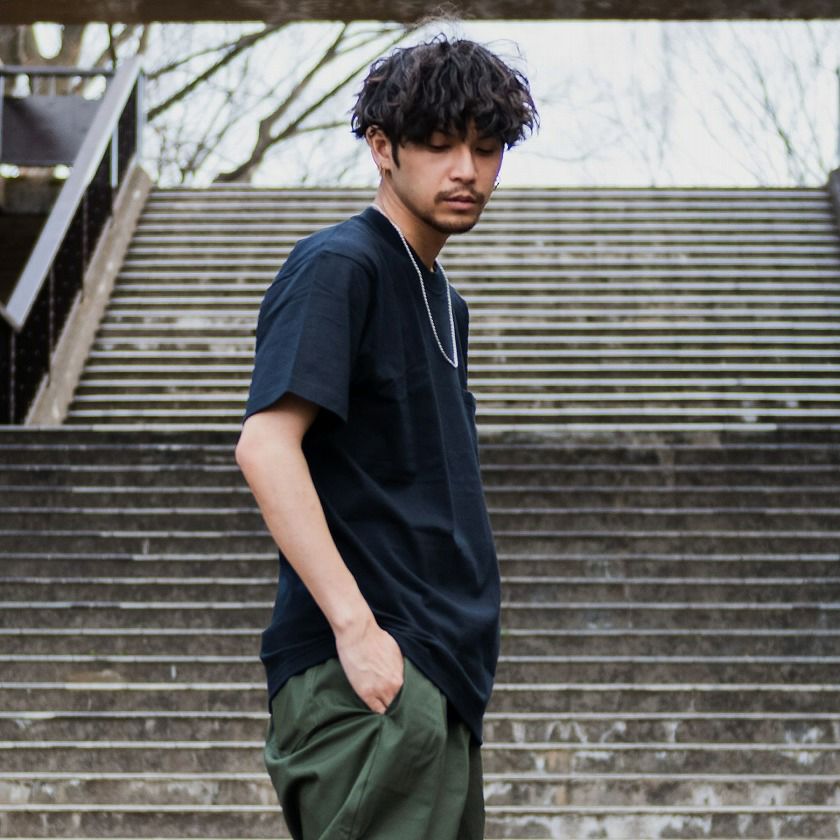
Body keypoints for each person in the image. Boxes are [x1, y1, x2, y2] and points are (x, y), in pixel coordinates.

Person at [235, 32, 537, 840]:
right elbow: (266, 447)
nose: (466, 170)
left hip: (439, 674)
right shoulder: (340, 266)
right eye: (438, 145)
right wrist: (356, 630)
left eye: (486, 148)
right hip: (372, 675)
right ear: (382, 148)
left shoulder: (444, 302)